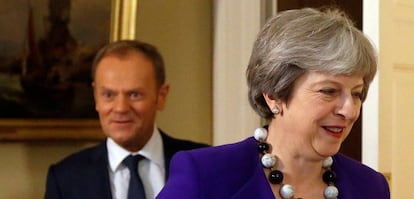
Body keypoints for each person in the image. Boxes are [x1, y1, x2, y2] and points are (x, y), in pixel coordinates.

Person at [157, 7, 390, 199]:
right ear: (274, 95)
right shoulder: (205, 174)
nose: (349, 110)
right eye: (328, 91)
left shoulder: (370, 187)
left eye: (357, 94)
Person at [44, 40, 209, 199]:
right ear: (96, 97)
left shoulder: (204, 165)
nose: (121, 108)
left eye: (134, 95)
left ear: (161, 96)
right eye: (109, 95)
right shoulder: (65, 179)